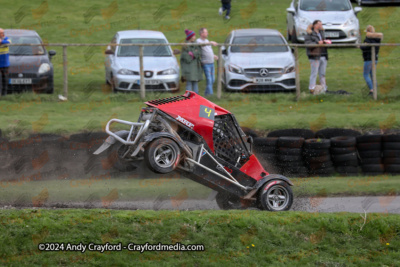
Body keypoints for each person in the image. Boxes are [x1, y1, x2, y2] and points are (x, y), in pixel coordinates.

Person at [304, 20, 331, 95]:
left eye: (321, 24)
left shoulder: (321, 33)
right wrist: (317, 43)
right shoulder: (309, 34)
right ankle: (312, 89)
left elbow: (322, 42)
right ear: (315, 25)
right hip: (314, 56)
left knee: (322, 73)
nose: (321, 25)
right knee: (314, 72)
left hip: (323, 55)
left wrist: (325, 42)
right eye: (319, 24)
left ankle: (324, 88)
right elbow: (307, 44)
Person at [360, 25, 383, 96]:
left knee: (366, 75)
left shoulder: (368, 40)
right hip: (375, 59)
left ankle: (372, 90)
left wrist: (360, 45)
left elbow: (364, 47)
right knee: (373, 75)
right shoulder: (377, 39)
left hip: (368, 59)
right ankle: (375, 91)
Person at [196, 28, 218, 96]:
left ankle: (206, 94)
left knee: (213, 79)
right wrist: (211, 42)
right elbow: (202, 44)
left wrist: (213, 55)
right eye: (206, 32)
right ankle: (211, 95)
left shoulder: (207, 40)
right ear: (202, 34)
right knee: (209, 79)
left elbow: (209, 50)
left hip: (211, 63)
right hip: (205, 63)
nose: (207, 33)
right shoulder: (198, 41)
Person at [180, 29, 202, 93]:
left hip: (195, 68)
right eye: (193, 36)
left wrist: (192, 54)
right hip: (188, 68)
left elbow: (199, 52)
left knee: (195, 83)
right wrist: (193, 55)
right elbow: (186, 57)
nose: (195, 37)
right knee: (189, 83)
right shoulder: (185, 45)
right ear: (190, 37)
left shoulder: (196, 44)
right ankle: (189, 99)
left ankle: (196, 98)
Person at [0, 28, 10, 96]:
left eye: (3, 33)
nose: (3, 34)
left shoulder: (6, 39)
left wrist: (1, 42)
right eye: (1, 33)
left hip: (5, 64)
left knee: (5, 80)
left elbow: (8, 42)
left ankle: (4, 94)